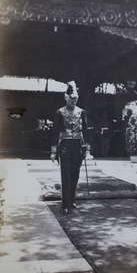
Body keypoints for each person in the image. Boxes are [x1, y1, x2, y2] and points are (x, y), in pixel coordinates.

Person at [50, 81, 89, 215]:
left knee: (75, 174)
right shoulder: (59, 112)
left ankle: (72, 199)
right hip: (64, 145)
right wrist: (53, 151)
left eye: (75, 98)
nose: (73, 101)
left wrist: (86, 148)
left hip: (77, 145)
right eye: (71, 98)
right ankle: (65, 204)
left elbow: (86, 130)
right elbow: (55, 132)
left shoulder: (81, 112)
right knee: (65, 175)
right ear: (65, 97)